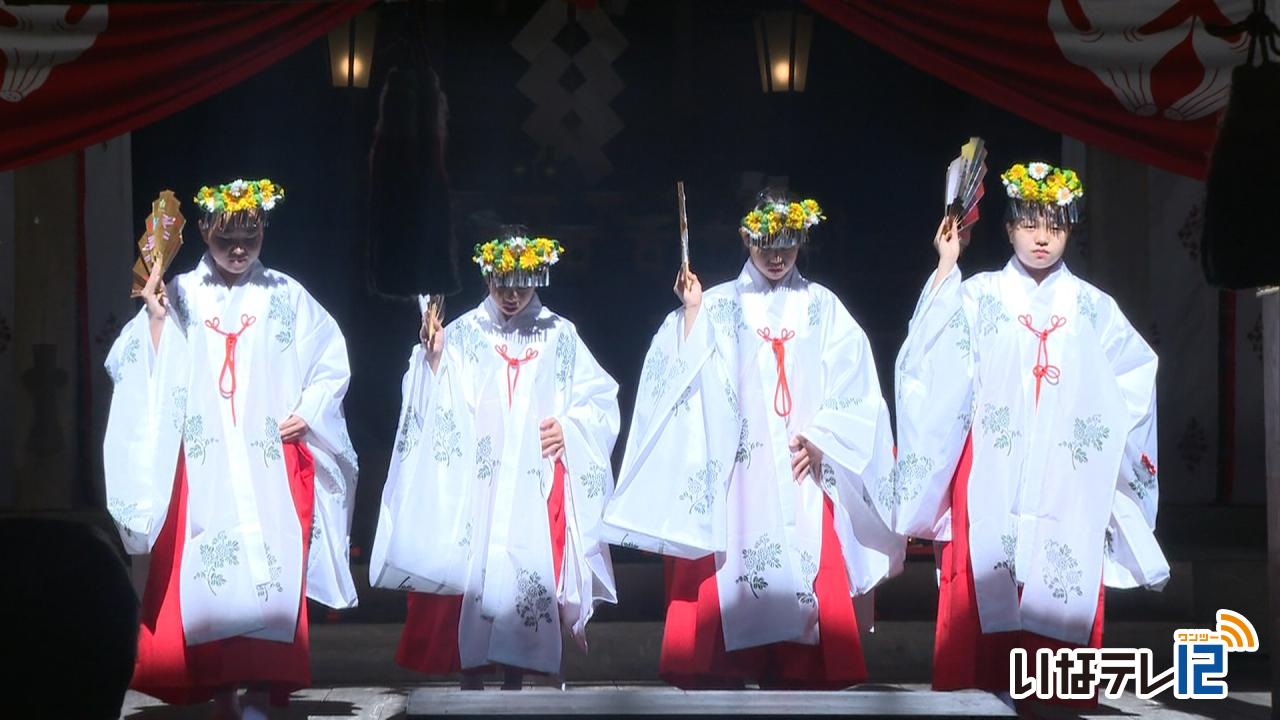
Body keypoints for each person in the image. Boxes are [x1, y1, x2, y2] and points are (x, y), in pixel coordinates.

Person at [891, 162, 1169, 702]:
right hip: (991, 467)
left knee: (1059, 582)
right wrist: (948, 266)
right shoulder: (978, 296)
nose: (1042, 238)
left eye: (1056, 225)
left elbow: (1135, 379)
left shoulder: (1093, 308)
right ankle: (975, 692)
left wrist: (1099, 444)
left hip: (1068, 471)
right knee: (983, 585)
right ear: (1009, 227)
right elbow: (926, 359)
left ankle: (1055, 699)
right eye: (1030, 223)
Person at [603, 191, 903, 689]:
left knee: (805, 561)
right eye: (765, 242)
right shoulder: (719, 303)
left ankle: (799, 666)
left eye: (787, 242)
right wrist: (692, 315)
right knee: (732, 559)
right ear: (746, 237)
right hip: (736, 473)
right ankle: (726, 665)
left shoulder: (823, 306)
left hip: (799, 465)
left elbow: (858, 386)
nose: (777, 254)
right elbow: (684, 379)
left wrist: (824, 437)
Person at [104, 178, 358, 719]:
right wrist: (153, 318)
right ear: (203, 232)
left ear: (264, 229)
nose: (239, 249)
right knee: (212, 573)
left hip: (268, 458)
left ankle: (265, 688)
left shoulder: (285, 296)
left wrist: (308, 411)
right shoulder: (180, 297)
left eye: (251, 236)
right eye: (227, 239)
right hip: (205, 461)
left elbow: (331, 359)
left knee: (270, 572)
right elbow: (134, 363)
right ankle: (222, 691)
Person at [373, 226, 619, 689]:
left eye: (522, 284)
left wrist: (569, 427)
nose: (511, 294)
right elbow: (429, 400)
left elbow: (599, 397)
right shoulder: (464, 334)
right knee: (475, 574)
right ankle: (470, 679)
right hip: (477, 480)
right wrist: (434, 360)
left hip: (531, 481)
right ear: (487, 275)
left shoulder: (559, 336)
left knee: (524, 572)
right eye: (502, 283)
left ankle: (515, 679)